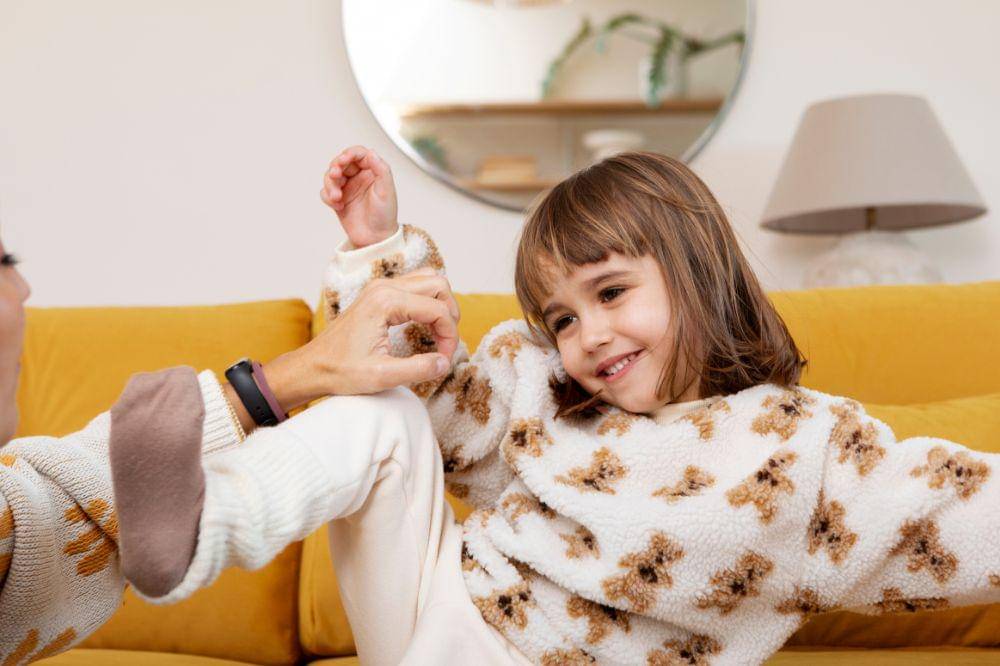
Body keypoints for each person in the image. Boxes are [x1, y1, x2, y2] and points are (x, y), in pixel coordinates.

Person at [312, 146, 1000, 665]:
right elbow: (433, 401)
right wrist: (379, 248)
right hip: (437, 612)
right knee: (381, 411)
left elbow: (949, 511)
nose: (590, 336)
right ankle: (220, 501)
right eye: (564, 319)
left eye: (611, 294)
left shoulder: (803, 452)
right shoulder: (542, 392)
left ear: (696, 272)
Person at [0, 227, 459, 662]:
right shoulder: (520, 373)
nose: (24, 289)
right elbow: (461, 412)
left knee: (388, 413)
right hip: (471, 622)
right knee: (385, 413)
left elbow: (37, 512)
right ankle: (208, 523)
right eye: (4, 263)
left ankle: (205, 524)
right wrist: (379, 249)